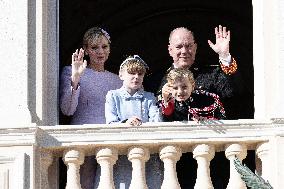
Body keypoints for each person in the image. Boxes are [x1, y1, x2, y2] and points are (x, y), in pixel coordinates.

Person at [59, 27, 122, 189]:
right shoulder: (71, 71)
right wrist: (76, 78)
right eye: (94, 47)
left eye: (104, 47)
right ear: (86, 50)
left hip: (111, 141)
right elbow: (67, 110)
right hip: (82, 140)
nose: (100, 51)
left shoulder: (118, 80)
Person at [157, 25, 245, 120]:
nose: (184, 51)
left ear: (195, 48)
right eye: (179, 47)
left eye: (189, 46)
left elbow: (235, 93)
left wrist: (224, 56)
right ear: (170, 50)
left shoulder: (211, 75)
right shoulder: (156, 79)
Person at [101, 55, 162, 189]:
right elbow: (110, 123)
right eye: (132, 73)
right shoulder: (113, 95)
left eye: (140, 74)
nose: (136, 77)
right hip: (122, 153)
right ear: (121, 75)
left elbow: (157, 122)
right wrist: (125, 123)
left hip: (146, 152)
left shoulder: (149, 97)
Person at [161, 68, 225, 122]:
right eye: (175, 88)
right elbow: (166, 118)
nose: (180, 92)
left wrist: (209, 120)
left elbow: (223, 119)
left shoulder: (207, 99)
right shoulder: (170, 102)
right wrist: (165, 99)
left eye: (184, 87)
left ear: (193, 86)